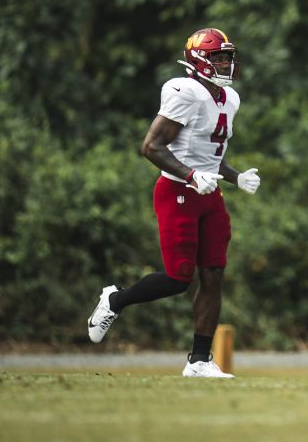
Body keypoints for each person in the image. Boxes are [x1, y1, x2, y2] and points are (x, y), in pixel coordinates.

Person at [86, 27, 262, 378]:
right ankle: (115, 300)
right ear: (199, 60)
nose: (226, 63)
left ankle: (199, 360)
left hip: (209, 195)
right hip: (177, 192)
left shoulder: (230, 99)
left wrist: (235, 176)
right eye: (219, 57)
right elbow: (151, 146)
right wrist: (192, 176)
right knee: (178, 278)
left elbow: (210, 155)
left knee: (213, 275)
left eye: (228, 57)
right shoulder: (186, 91)